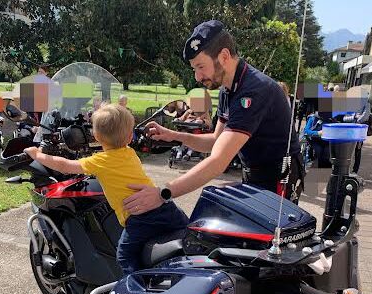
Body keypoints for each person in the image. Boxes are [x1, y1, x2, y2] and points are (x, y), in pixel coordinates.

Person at [123, 20, 304, 216]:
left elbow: (219, 160)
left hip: (278, 178)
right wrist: (174, 135)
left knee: (261, 240)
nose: (197, 77)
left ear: (224, 56)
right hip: (254, 172)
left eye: (201, 66)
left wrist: (162, 193)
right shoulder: (228, 89)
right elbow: (216, 141)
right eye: (194, 69)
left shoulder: (253, 91)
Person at [23, 104, 188, 275]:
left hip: (139, 218)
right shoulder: (129, 152)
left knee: (125, 257)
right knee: (188, 231)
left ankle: (136, 288)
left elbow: (65, 166)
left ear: (95, 136)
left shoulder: (99, 162)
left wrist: (37, 154)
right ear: (130, 137)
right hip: (163, 206)